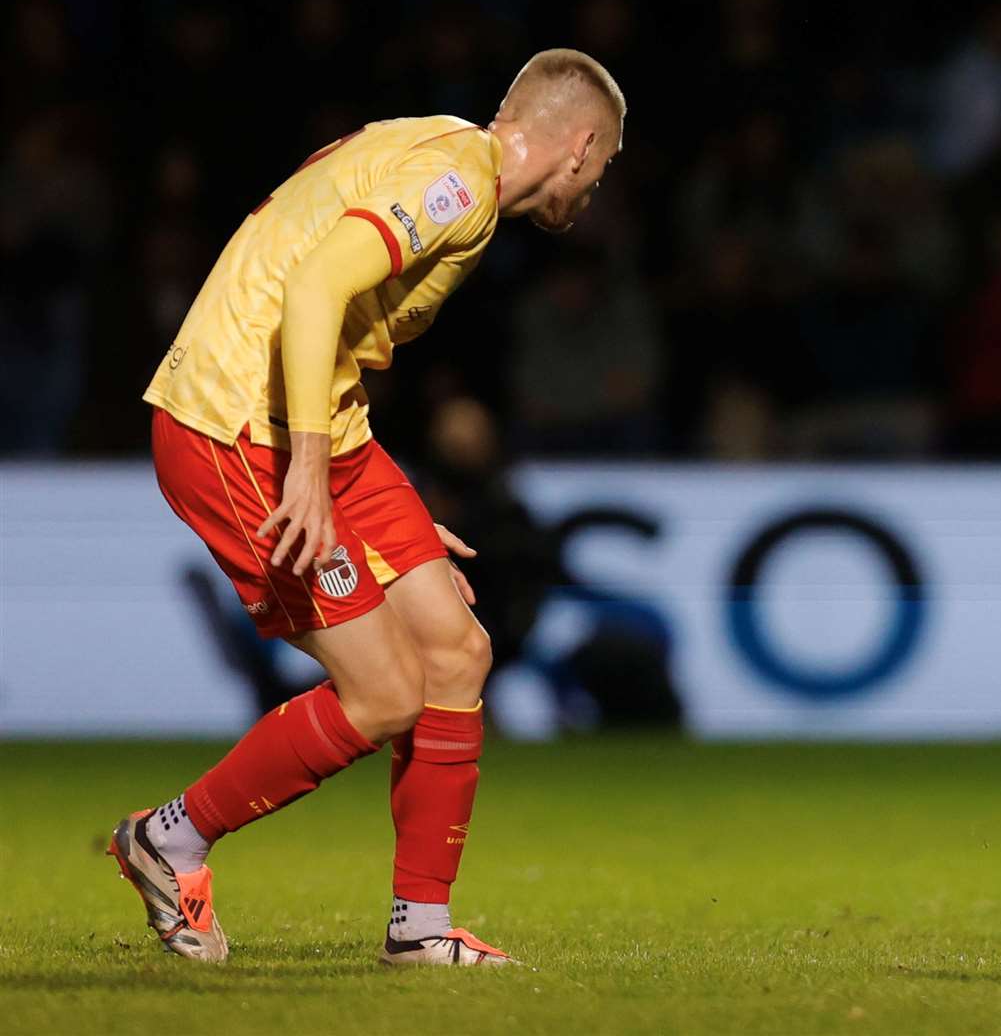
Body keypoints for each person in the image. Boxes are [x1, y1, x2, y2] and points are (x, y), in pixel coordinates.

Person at [113, 49, 625, 966]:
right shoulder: (457, 186)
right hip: (239, 428)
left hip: (316, 428)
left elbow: (327, 306)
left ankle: (420, 931)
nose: (597, 187)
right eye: (606, 165)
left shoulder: (441, 150)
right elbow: (314, 287)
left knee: (456, 651)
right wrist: (308, 470)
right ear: (582, 145)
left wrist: (365, 488)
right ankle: (170, 838)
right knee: (385, 692)